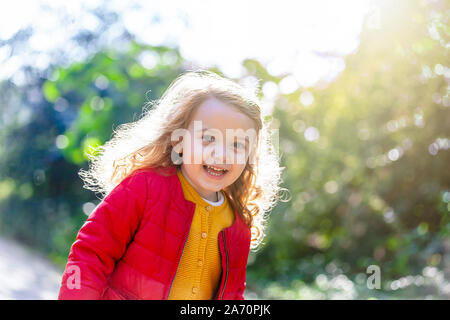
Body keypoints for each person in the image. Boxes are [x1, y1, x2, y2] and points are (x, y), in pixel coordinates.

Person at [58, 70, 285, 300]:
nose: (221, 154)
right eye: (208, 138)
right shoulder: (144, 187)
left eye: (237, 145)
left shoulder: (238, 226)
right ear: (179, 142)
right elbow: (90, 254)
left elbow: (233, 295)